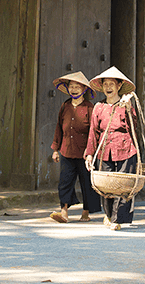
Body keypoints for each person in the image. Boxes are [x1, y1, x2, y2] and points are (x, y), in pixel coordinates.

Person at [85, 66, 144, 231]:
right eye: (105, 84)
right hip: (105, 150)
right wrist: (89, 155)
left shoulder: (126, 105)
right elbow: (93, 132)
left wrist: (127, 107)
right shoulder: (98, 107)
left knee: (123, 185)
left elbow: (134, 126)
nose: (108, 87)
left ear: (119, 86)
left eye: (112, 84)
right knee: (106, 186)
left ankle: (118, 219)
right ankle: (109, 215)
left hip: (125, 149)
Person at [49, 71, 102, 223]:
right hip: (66, 150)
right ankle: (64, 212)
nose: (74, 89)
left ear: (84, 89)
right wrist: (55, 150)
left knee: (87, 183)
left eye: (77, 86)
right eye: (71, 86)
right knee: (64, 182)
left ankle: (86, 212)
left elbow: (94, 130)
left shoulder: (89, 108)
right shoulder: (65, 106)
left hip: (85, 153)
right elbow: (59, 128)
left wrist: (91, 151)